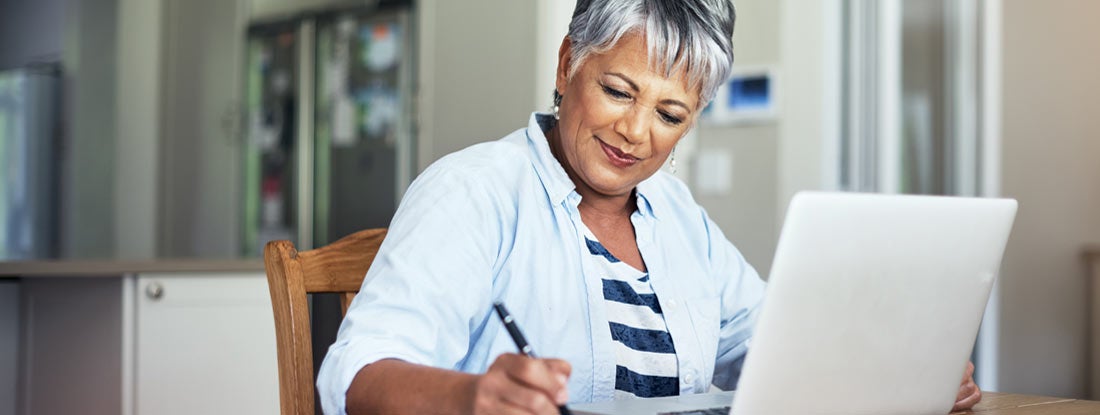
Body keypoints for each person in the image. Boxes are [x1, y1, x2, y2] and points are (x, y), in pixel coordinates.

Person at [316, 1, 983, 414]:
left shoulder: (677, 215)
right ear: (567, 62)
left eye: (670, 113)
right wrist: (471, 398)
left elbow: (767, 347)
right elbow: (355, 374)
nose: (637, 133)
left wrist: (902, 368)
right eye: (616, 90)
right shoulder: (473, 193)